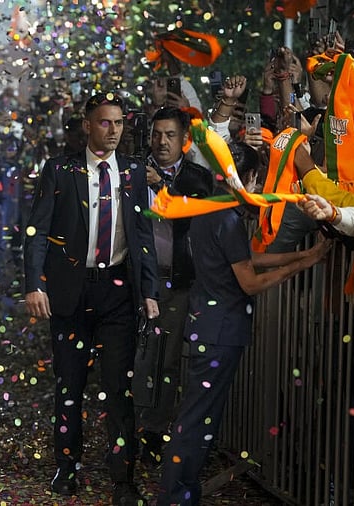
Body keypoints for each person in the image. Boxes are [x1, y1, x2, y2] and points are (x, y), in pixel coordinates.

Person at [158, 143, 329, 506]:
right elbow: (249, 280)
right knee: (198, 419)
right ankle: (176, 496)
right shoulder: (229, 217)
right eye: (256, 178)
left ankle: (178, 492)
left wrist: (304, 254)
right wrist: (301, 265)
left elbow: (247, 256)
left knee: (196, 415)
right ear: (245, 178)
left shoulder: (211, 210)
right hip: (221, 331)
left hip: (207, 323)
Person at [24, 92, 160, 505]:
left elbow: (143, 236)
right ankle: (67, 467)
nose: (114, 131)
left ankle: (123, 477)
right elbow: (36, 231)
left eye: (119, 123)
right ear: (87, 125)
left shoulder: (134, 173)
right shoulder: (60, 170)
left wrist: (150, 292)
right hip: (70, 291)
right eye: (105, 123)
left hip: (118, 291)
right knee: (70, 384)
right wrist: (35, 284)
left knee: (119, 387)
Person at [137, 106, 213, 466]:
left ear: (184, 141)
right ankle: (127, 425)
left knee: (165, 360)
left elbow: (193, 204)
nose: (162, 142)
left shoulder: (196, 176)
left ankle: (153, 431)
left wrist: (162, 186)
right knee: (133, 355)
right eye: (157, 134)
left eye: (169, 135)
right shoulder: (133, 171)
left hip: (176, 280)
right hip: (136, 279)